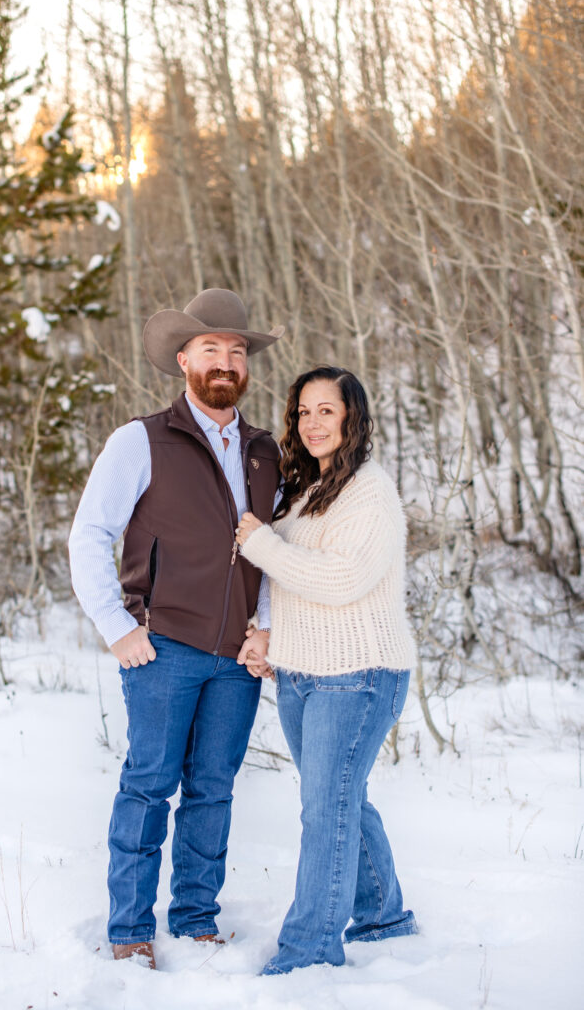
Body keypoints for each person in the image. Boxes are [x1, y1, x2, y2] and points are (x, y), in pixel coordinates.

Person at [69, 288, 283, 968]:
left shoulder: (264, 451)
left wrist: (267, 626)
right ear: (184, 359)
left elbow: (279, 548)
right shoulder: (140, 440)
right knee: (148, 785)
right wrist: (117, 626)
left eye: (237, 350)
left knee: (213, 791)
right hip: (161, 649)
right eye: (211, 348)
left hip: (235, 658)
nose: (225, 360)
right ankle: (131, 930)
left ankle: (196, 918)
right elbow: (88, 534)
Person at [235, 365, 418, 975]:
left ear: (352, 418)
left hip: (360, 675)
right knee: (341, 800)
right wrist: (269, 634)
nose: (313, 423)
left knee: (326, 809)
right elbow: (298, 590)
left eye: (327, 411)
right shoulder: (306, 489)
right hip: (302, 674)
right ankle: (383, 912)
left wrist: (261, 544)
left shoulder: (369, 490)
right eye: (304, 411)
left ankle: (310, 949)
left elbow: (341, 580)